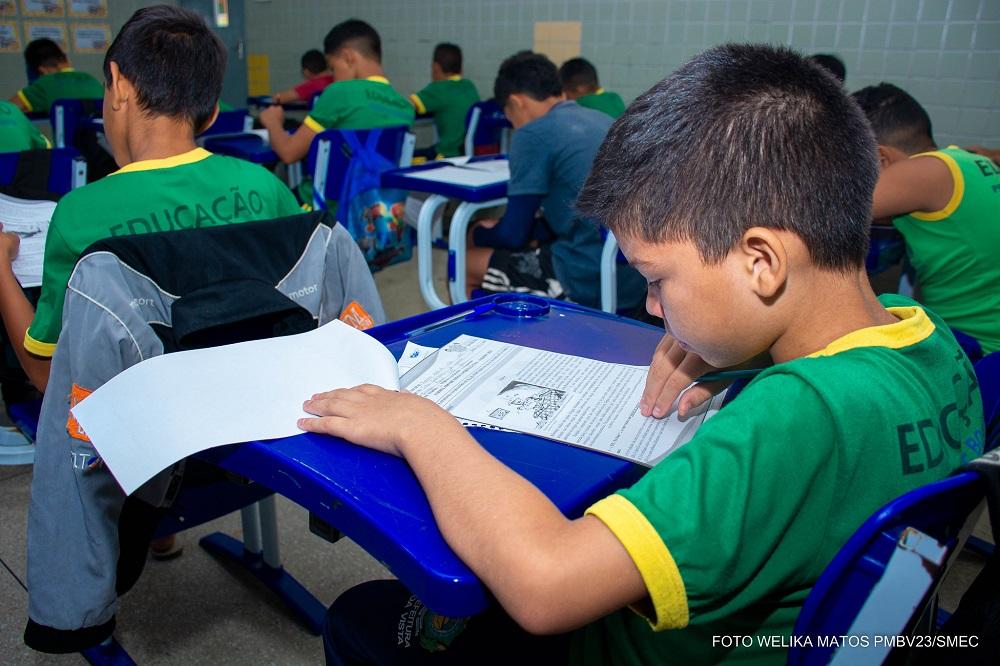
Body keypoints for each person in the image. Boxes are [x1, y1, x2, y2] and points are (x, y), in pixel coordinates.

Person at [300, 44, 983, 665]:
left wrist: (421, 423)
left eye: (657, 281)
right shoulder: (932, 340)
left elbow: (546, 585)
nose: (653, 309)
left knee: (365, 619)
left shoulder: (795, 416)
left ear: (761, 262)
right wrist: (737, 352)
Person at [0, 5, 302, 397]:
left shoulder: (79, 213)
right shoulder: (266, 186)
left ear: (118, 84)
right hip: (259, 397)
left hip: (146, 424)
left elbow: (49, 375)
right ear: (211, 114)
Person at [468, 51, 644, 310]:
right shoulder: (602, 119)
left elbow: (512, 235)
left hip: (586, 278)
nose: (511, 123)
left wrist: (478, 231)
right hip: (635, 275)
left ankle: (481, 346)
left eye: (507, 114)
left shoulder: (531, 134)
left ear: (516, 102)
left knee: (465, 261)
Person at [854, 82, 1000, 353]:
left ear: (881, 157)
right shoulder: (962, 163)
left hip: (977, 354)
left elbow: (821, 205)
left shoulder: (926, 172)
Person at [259, 19, 414, 165]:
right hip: (385, 193)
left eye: (333, 68)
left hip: (331, 193)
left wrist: (273, 121)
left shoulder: (340, 92)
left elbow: (289, 153)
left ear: (348, 57)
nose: (333, 76)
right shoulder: (405, 106)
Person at [408, 42, 480, 158]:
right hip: (465, 153)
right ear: (461, 68)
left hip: (446, 154)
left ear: (436, 67)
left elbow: (407, 106)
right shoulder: (469, 86)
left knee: (403, 156)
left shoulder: (439, 89)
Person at [10, 38, 103, 114]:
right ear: (66, 60)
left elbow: (5, 110)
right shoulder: (92, 80)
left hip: (67, 136)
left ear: (42, 70)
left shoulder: (44, 85)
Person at [558, 57, 626, 119]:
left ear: (579, 89)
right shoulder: (615, 98)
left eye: (566, 94)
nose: (565, 99)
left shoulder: (579, 106)